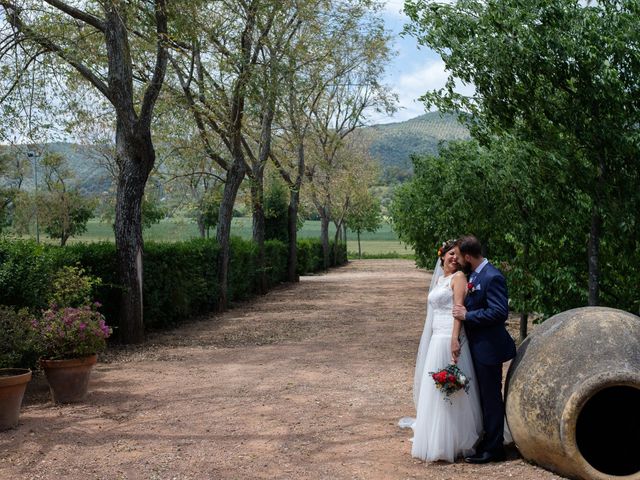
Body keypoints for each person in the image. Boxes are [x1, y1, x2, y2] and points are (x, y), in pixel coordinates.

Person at [402, 239, 483, 462]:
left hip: (450, 337)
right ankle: (434, 436)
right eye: (450, 254)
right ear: (442, 256)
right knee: (436, 387)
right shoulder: (439, 279)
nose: (454, 258)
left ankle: (453, 439)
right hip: (436, 337)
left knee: (452, 388)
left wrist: (454, 339)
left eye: (457, 255)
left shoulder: (459, 278)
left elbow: (458, 310)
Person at [452, 235, 517, 464]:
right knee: (482, 396)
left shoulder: (493, 276)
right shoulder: (475, 275)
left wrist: (468, 315)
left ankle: (494, 449)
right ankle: (487, 440)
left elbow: (499, 312)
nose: (458, 260)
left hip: (489, 348)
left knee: (491, 398)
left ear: (468, 256)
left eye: (459, 256)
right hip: (477, 347)